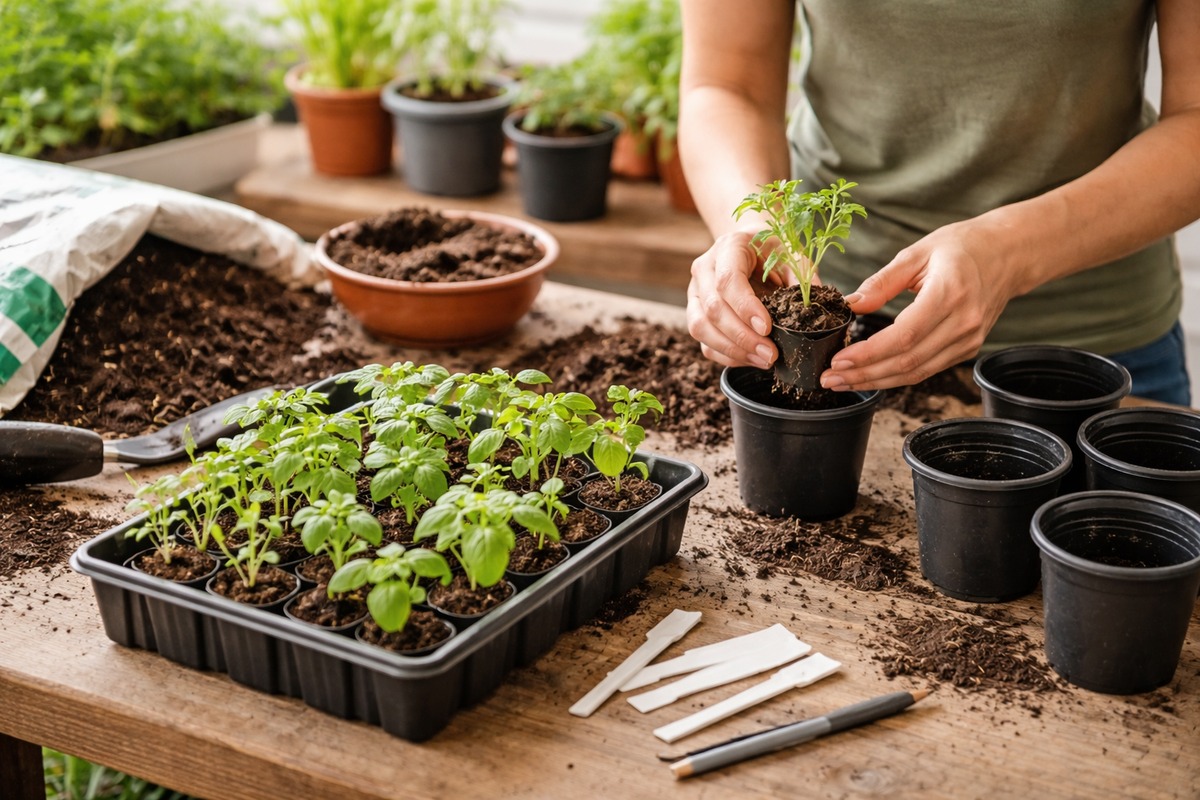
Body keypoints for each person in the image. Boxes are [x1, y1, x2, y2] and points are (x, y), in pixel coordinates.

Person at [679, 0, 1200, 405]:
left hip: (1093, 354)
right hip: (840, 343)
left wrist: (1010, 250)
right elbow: (728, 84)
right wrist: (757, 226)